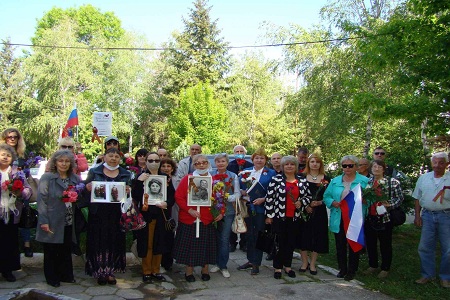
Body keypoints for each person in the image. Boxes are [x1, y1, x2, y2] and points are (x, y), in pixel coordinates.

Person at [81, 147, 131, 285]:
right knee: (99, 241)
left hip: (116, 213)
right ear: (104, 157)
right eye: (111, 155)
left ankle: (111, 271)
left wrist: (128, 190)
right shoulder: (94, 171)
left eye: (116, 156)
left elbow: (130, 192)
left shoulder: (125, 173)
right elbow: (84, 188)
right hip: (98, 213)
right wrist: (87, 187)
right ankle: (99, 271)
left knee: (114, 241)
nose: (114, 158)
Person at [36, 150, 82, 287]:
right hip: (52, 218)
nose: (64, 164)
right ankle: (52, 277)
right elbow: (41, 200)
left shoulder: (75, 178)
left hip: (68, 219)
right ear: (55, 163)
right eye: (61, 161)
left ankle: (66, 275)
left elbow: (81, 197)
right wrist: (43, 221)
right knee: (51, 251)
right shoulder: (47, 178)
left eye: (67, 161)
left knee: (65, 249)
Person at [173, 154, 218, 282]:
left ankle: (205, 270)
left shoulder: (214, 180)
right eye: (198, 163)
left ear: (208, 164)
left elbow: (219, 199)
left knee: (205, 246)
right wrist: (190, 210)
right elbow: (179, 197)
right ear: (194, 165)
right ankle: (189, 271)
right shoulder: (188, 179)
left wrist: (219, 212)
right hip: (190, 218)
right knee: (190, 246)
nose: (201, 165)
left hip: (206, 219)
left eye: (204, 162)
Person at [323, 155, 369, 281]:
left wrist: (366, 200)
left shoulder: (364, 181)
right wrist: (332, 202)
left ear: (356, 166)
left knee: (353, 243)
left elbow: (371, 199)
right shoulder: (335, 181)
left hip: (355, 218)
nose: (347, 168)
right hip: (339, 216)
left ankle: (352, 269)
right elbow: (326, 196)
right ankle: (342, 268)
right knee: (340, 244)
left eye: (350, 165)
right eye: (345, 166)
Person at [132, 152, 175, 284]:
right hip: (147, 215)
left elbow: (172, 196)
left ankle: (156, 270)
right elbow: (135, 195)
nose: (154, 163)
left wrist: (166, 203)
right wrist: (139, 182)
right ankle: (147, 271)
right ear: (146, 161)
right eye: (151, 160)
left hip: (161, 215)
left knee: (159, 243)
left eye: (156, 160)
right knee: (147, 244)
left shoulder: (165, 177)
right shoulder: (141, 176)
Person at [266, 155, 307, 279]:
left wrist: (302, 202)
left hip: (295, 217)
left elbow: (308, 196)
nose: (289, 166)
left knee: (291, 242)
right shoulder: (276, 179)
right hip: (279, 217)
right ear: (283, 167)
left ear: (295, 166)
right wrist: (269, 215)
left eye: (292, 164)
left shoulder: (302, 180)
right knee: (280, 242)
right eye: (287, 164)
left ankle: (288, 266)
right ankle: (278, 267)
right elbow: (269, 198)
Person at [413, 152, 450, 288]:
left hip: (446, 216)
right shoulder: (424, 178)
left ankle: (445, 277)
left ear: (447, 164)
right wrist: (417, 216)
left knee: (448, 249)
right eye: (435, 162)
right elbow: (417, 198)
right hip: (427, 216)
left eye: (441, 163)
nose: (437, 165)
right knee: (425, 247)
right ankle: (427, 274)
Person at [237, 148, 276, 275]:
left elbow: (274, 192)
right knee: (249, 235)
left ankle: (256, 263)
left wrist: (263, 199)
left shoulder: (271, 173)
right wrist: (242, 192)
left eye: (262, 158)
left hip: (261, 209)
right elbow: (240, 189)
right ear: (252, 159)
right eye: (257, 158)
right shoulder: (245, 173)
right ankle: (250, 260)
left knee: (258, 234)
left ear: (265, 160)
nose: (259, 160)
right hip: (248, 207)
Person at [363, 159, 404, 279]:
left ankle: (385, 268)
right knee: (370, 242)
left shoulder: (392, 182)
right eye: (374, 166)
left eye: (379, 167)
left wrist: (389, 204)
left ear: (383, 169)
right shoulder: (367, 182)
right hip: (370, 216)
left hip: (385, 217)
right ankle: (373, 265)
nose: (376, 168)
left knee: (385, 243)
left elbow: (399, 198)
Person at [0, 144, 32, 282]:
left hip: (12, 212)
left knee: (9, 242)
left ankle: (8, 271)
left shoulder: (17, 173)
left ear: (12, 158)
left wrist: (20, 192)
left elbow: (28, 191)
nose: (5, 157)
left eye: (8, 155)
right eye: (2, 155)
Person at [1, 128, 34, 257]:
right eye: (9, 137)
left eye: (15, 137)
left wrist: (19, 189)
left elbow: (26, 185)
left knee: (21, 219)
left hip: (16, 200)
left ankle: (26, 245)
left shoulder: (22, 157)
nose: (12, 139)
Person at [56, 137, 89, 256]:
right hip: (58, 197)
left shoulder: (76, 158)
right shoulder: (54, 159)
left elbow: (83, 168)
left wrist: (79, 154)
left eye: (70, 147)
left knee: (75, 222)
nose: (67, 149)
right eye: (64, 146)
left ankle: (74, 244)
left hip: (74, 194)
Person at [209, 153, 240, 278]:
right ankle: (216, 262)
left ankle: (223, 265)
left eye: (223, 161)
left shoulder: (233, 176)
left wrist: (225, 197)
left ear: (227, 163)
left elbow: (237, 195)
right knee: (214, 238)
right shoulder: (210, 176)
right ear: (215, 163)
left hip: (228, 212)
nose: (221, 163)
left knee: (224, 239)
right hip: (213, 212)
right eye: (218, 161)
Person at [298, 153, 330, 275]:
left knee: (317, 236)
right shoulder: (301, 177)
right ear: (308, 163)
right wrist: (305, 205)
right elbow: (298, 194)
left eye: (317, 162)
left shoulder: (326, 179)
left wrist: (320, 202)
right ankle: (304, 262)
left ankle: (312, 263)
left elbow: (330, 196)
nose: (315, 164)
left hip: (319, 211)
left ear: (320, 164)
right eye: (312, 162)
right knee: (303, 236)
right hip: (304, 211)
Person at [227, 145, 253, 252]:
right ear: (233, 153)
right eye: (236, 151)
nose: (239, 153)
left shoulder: (250, 165)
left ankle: (244, 243)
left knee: (245, 219)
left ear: (244, 153)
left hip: (246, 197)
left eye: (241, 151)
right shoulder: (229, 165)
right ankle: (232, 243)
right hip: (233, 196)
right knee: (234, 218)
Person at [159, 158, 177, 272]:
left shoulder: (175, 180)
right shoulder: (156, 178)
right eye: (163, 166)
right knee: (161, 238)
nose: (166, 168)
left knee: (169, 238)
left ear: (172, 168)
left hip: (173, 211)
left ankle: (168, 262)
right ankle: (159, 262)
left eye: (168, 166)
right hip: (160, 212)